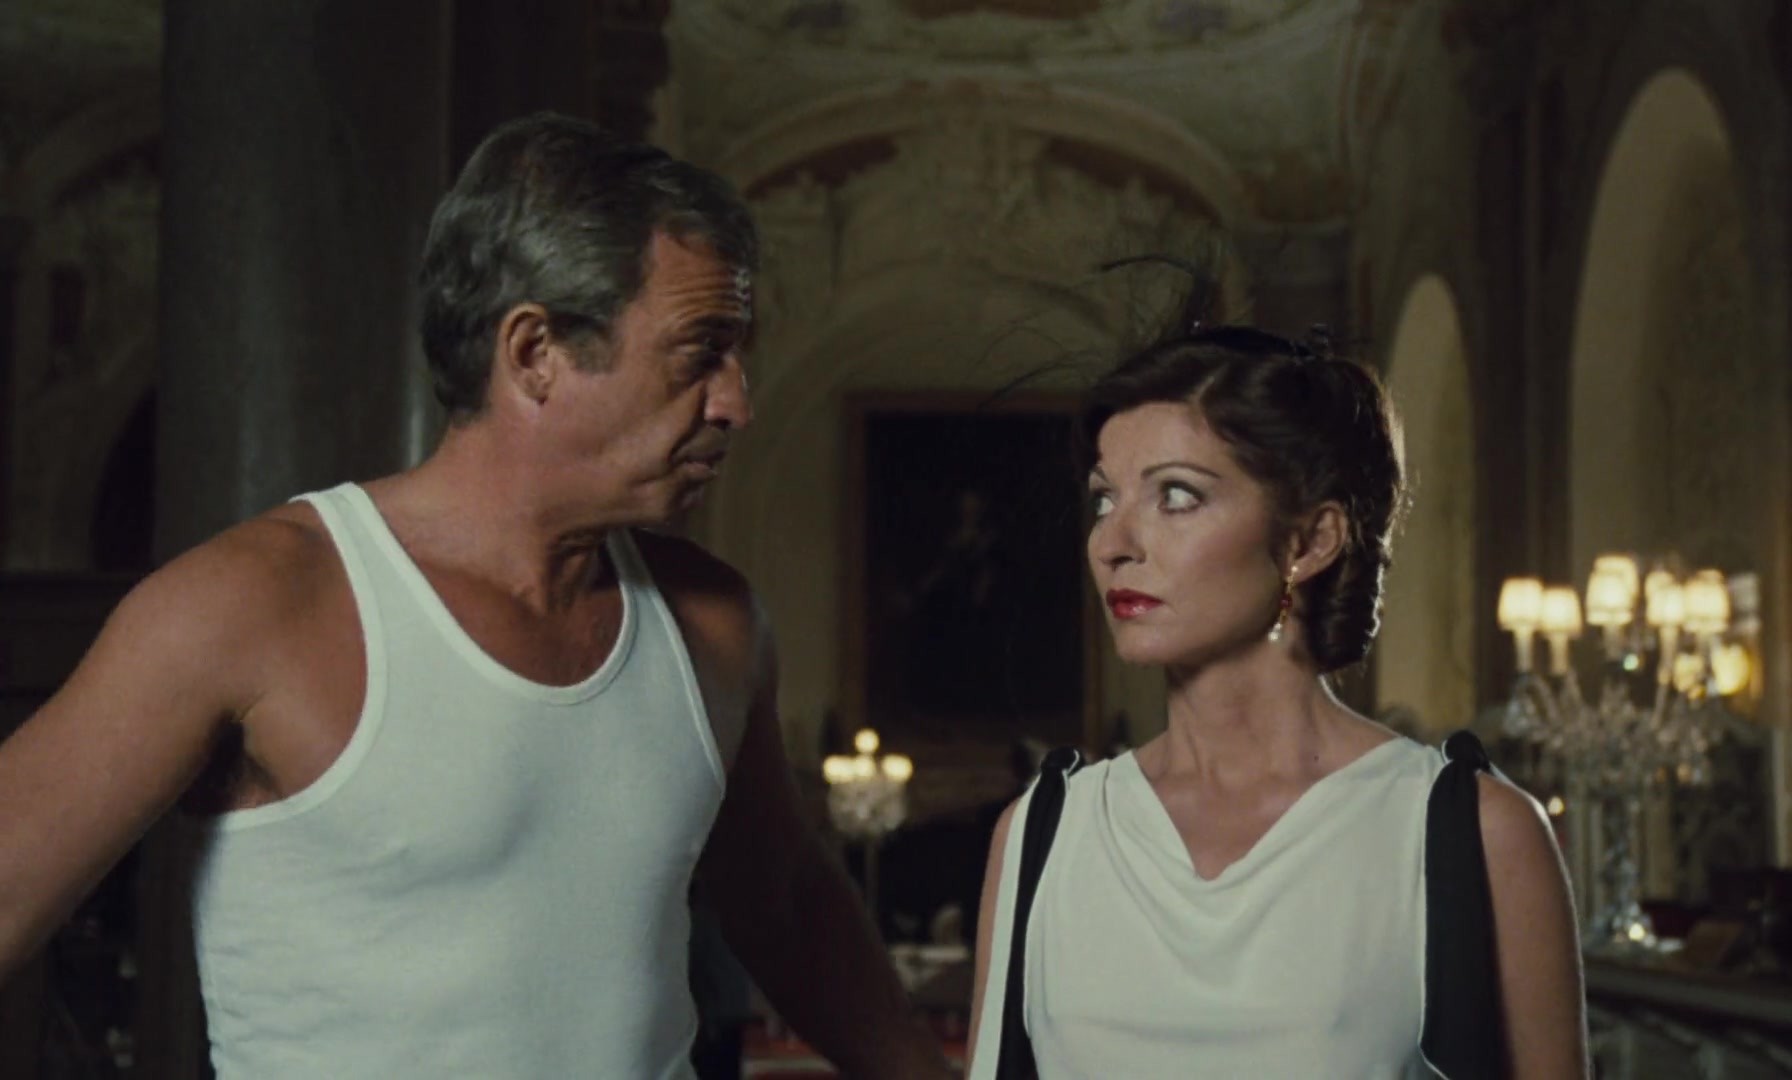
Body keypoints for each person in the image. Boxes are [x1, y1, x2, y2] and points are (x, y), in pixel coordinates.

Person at [0, 113, 949, 1079]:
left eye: (739, 355)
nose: (737, 401)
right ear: (534, 353)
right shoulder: (253, 603)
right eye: (699, 352)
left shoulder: (714, 622)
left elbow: (785, 903)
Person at [966, 269, 1588, 1077]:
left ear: (1309, 541)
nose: (1113, 543)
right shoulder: (1044, 832)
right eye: (1103, 500)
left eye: (1176, 497)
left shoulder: (1472, 830)